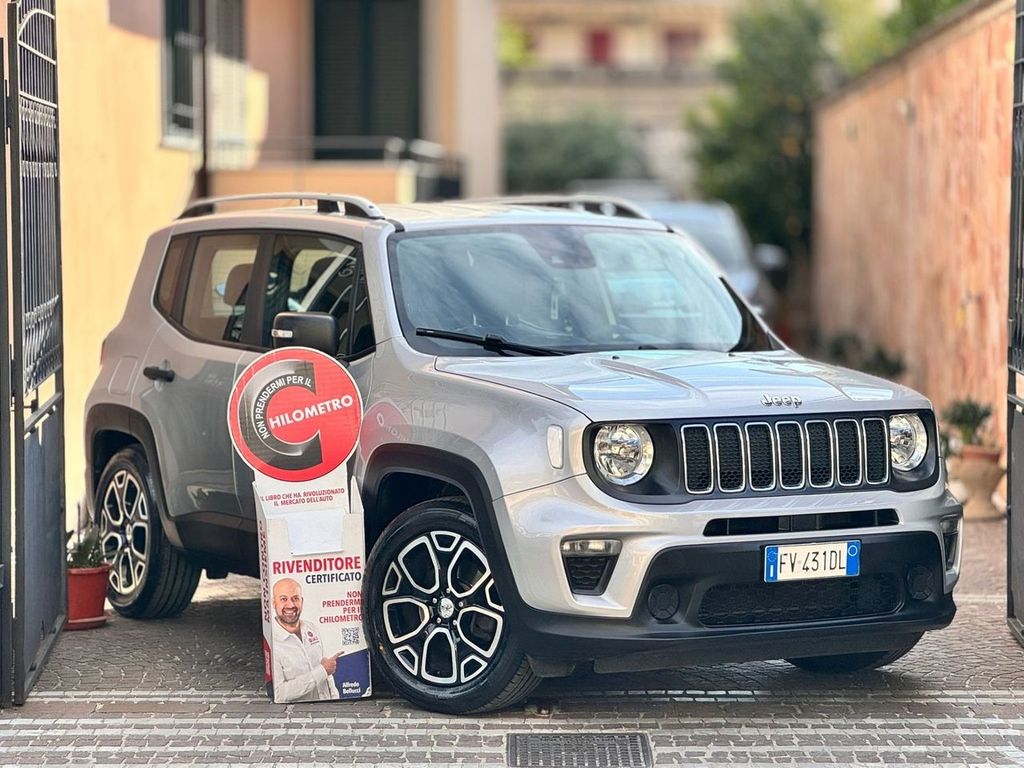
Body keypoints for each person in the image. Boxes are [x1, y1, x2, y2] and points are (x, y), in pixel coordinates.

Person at [270, 577, 341, 702]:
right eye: (283, 599)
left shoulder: (311, 628)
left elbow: (328, 676)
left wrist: (335, 699)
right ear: (274, 603)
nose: (290, 605)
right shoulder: (273, 643)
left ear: (302, 601)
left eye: (295, 598)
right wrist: (322, 671)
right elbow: (279, 694)